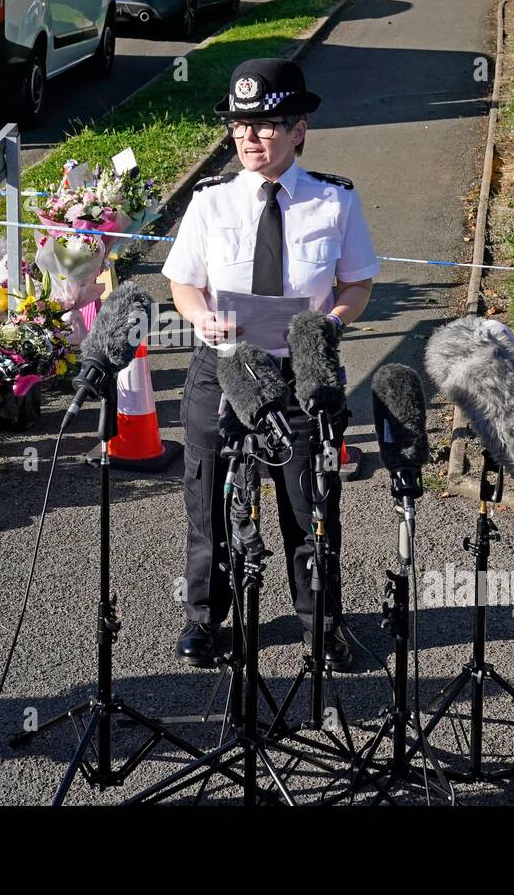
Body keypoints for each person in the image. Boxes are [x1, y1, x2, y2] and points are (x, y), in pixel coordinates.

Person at [162, 57, 379, 671]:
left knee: (308, 502)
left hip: (299, 372)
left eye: (263, 126)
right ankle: (204, 619)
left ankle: (322, 624)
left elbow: (357, 284)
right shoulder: (210, 201)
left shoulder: (333, 202)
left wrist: (331, 322)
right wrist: (199, 316)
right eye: (239, 126)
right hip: (223, 365)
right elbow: (184, 282)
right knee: (208, 498)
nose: (248, 139)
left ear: (298, 130)